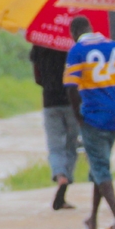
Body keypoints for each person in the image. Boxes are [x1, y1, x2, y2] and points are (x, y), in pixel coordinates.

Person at [63, 16, 115, 229]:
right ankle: (93, 218)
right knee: (100, 166)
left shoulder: (77, 51)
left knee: (100, 167)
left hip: (94, 118)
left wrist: (78, 116)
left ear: (74, 33)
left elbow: (70, 87)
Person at [30, 45, 79, 210]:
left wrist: (49, 84)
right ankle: (66, 180)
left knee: (55, 146)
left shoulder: (40, 44)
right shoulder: (72, 45)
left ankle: (60, 176)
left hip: (50, 102)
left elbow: (37, 78)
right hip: (72, 101)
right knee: (71, 145)